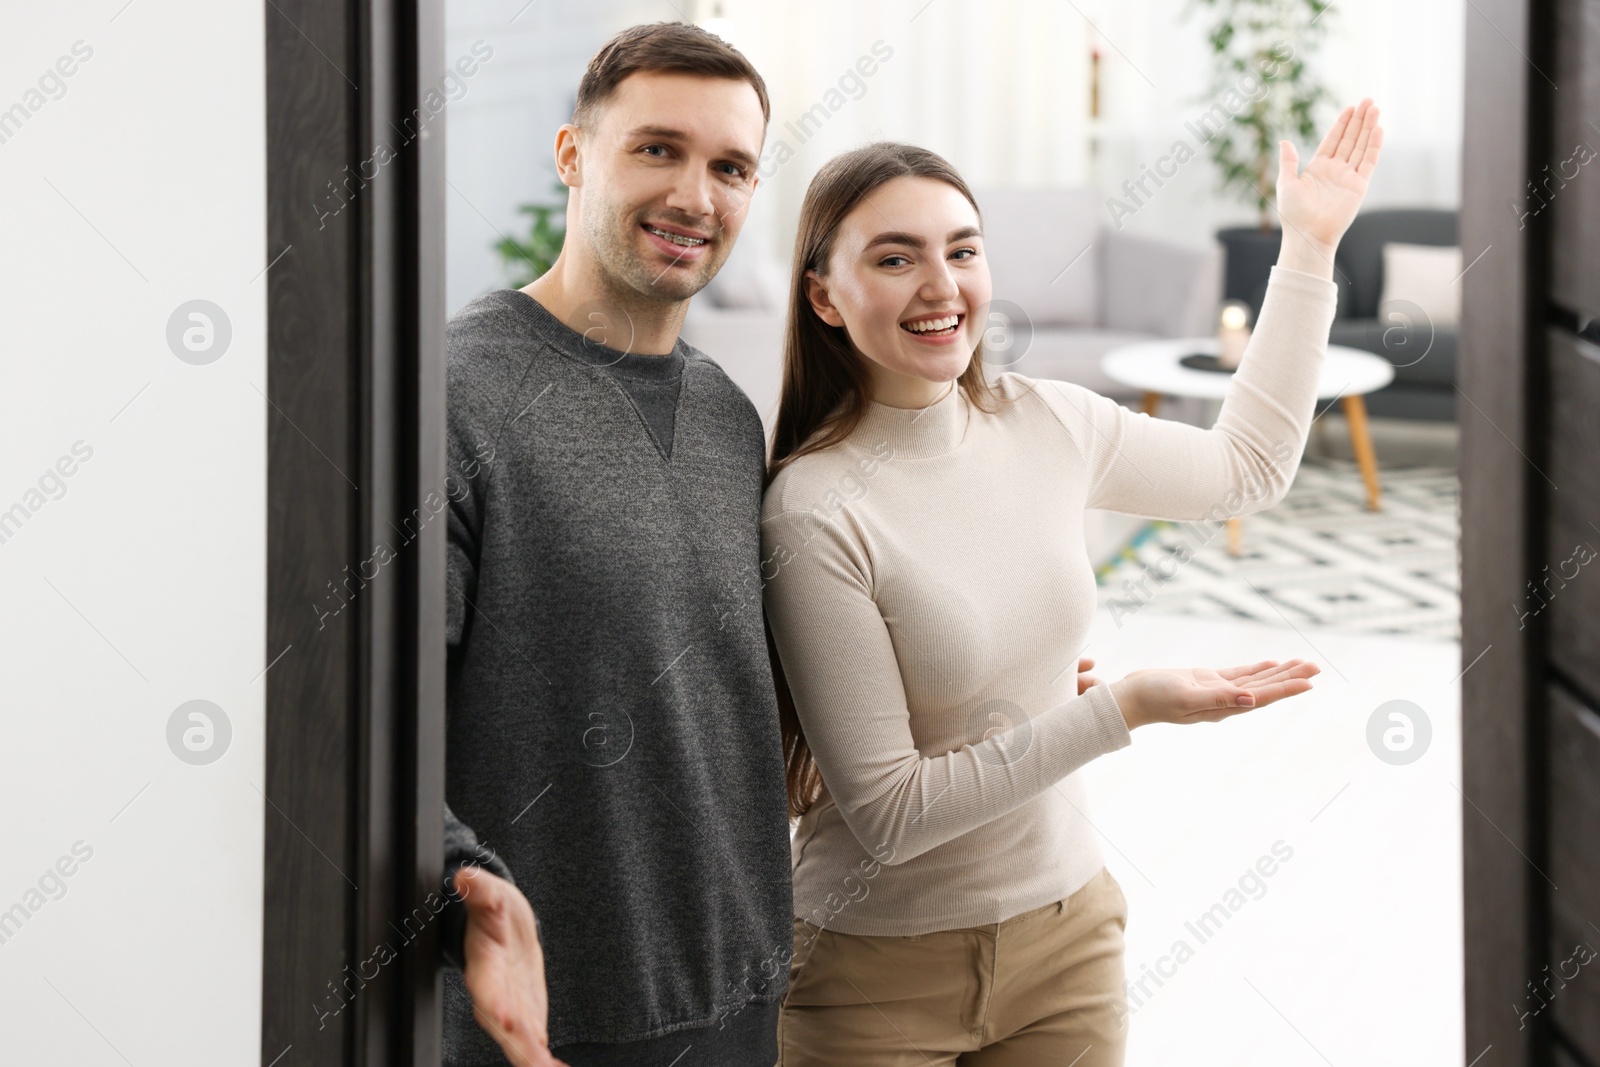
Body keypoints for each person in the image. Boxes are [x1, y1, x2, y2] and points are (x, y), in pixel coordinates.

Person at [760, 101, 1385, 1065]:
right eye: (894, 258)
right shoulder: (814, 509)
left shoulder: (1045, 421)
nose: (941, 286)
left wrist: (1308, 248)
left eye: (963, 251)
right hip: (870, 976)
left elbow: (1247, 468)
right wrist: (1124, 708)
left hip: (1068, 946)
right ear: (824, 296)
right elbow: (888, 816)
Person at [441, 21, 791, 1067]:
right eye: (657, 148)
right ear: (571, 154)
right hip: (547, 1023)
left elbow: (721, 688)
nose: (696, 195)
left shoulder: (731, 414)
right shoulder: (457, 398)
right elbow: (367, 731)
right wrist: (464, 890)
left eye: (730, 166)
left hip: (740, 1000)